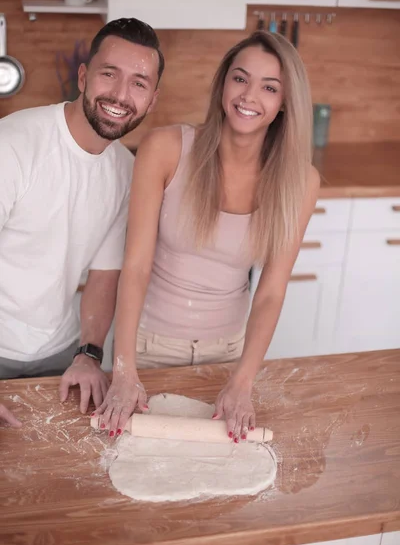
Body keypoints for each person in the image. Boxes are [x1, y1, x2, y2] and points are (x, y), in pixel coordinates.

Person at [94, 31, 320, 440]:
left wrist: (242, 381)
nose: (249, 96)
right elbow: (137, 265)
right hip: (148, 346)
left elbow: (270, 291)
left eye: (270, 87)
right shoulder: (166, 148)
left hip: (229, 354)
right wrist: (125, 368)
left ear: (285, 102)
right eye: (240, 79)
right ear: (223, 84)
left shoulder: (301, 183)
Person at [0, 17, 164, 415]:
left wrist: (89, 354)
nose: (121, 95)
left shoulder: (127, 172)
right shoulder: (15, 144)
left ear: (152, 100)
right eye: (110, 74)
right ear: (84, 76)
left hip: (61, 353)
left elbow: (105, 276)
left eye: (138, 83)